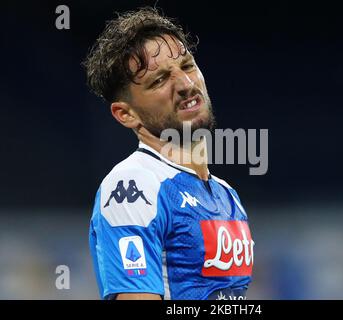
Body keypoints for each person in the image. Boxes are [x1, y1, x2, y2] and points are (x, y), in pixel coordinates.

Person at [84, 7, 255, 300]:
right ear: (126, 114)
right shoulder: (133, 185)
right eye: (160, 80)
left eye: (187, 66)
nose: (186, 85)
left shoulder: (227, 195)